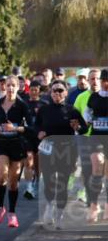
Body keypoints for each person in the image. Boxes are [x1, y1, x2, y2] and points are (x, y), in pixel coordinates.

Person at [35, 78, 86, 227]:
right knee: (50, 182)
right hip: (48, 149)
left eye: (60, 90)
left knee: (63, 183)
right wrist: (39, 132)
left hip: (67, 150)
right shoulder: (44, 109)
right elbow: (36, 125)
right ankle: (49, 207)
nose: (57, 93)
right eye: (54, 90)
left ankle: (59, 213)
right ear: (50, 93)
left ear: (65, 93)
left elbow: (83, 129)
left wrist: (77, 128)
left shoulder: (72, 110)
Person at [0, 75, 31, 228]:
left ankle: (12, 213)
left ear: (18, 87)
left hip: (17, 145)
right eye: (7, 85)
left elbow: (31, 127)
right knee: (1, 176)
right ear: (3, 86)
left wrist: (15, 128)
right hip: (0, 144)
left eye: (13, 85)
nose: (10, 88)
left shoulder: (22, 106)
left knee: (13, 183)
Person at [74, 68, 108, 222]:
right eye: (104, 81)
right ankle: (93, 205)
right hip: (96, 138)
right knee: (96, 165)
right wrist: (81, 127)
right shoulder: (93, 98)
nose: (105, 84)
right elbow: (86, 118)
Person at [22, 77, 46, 199]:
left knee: (38, 164)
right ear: (28, 90)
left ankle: (36, 181)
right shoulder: (24, 103)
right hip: (27, 136)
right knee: (28, 161)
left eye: (36, 90)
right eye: (32, 89)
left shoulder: (44, 104)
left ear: (39, 91)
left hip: (40, 137)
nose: (34, 92)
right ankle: (29, 187)